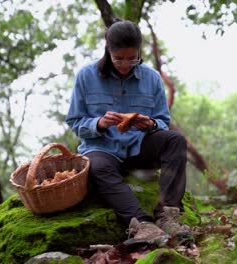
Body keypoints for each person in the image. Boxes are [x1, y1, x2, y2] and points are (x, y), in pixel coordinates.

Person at [65, 19, 191, 246]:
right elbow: (75, 121)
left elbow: (163, 120)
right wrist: (99, 123)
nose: (125, 64)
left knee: (175, 140)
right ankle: (143, 225)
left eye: (132, 58)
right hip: (101, 148)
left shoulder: (151, 78)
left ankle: (167, 215)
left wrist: (150, 124)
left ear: (139, 51)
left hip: (139, 147)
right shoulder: (86, 76)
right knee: (96, 166)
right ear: (108, 49)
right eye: (119, 58)